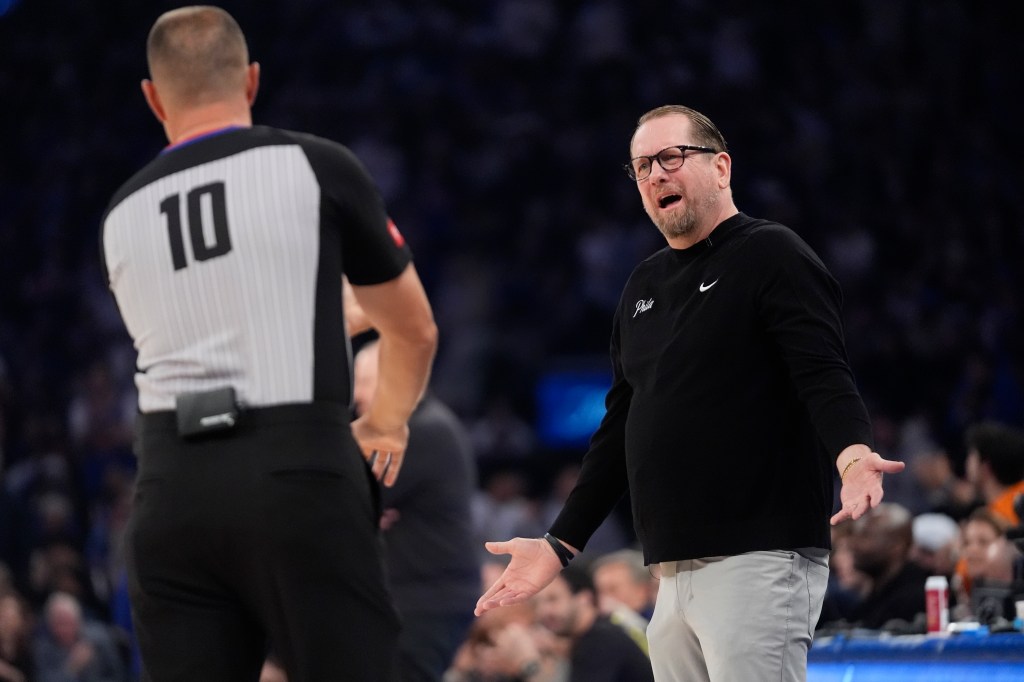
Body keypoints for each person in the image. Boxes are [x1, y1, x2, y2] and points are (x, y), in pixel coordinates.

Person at [475, 104, 905, 681]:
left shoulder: (771, 253)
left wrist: (852, 455)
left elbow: (824, 373)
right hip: (670, 572)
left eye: (671, 158)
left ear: (721, 167)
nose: (655, 175)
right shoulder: (643, 285)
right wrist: (559, 544)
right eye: (642, 167)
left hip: (759, 556)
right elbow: (619, 429)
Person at [100, 7, 437, 681]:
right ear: (251, 81)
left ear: (152, 97)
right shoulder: (315, 166)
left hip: (168, 491)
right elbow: (413, 328)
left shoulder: (120, 214)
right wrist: (386, 422)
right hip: (296, 475)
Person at [352, 340, 480, 682]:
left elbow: (344, 501)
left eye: (365, 382)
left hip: (426, 601)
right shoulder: (420, 425)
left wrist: (362, 512)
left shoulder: (420, 430)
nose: (357, 395)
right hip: (417, 597)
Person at [843, 503, 929, 629]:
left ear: (896, 546)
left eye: (866, 536)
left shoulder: (918, 599)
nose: (854, 545)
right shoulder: (873, 597)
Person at [32, 591, 126, 682]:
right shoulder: (43, 649)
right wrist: (72, 668)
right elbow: (43, 679)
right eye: (58, 624)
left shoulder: (99, 637)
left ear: (78, 622)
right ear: (50, 625)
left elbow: (119, 675)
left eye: (68, 623)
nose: (63, 629)